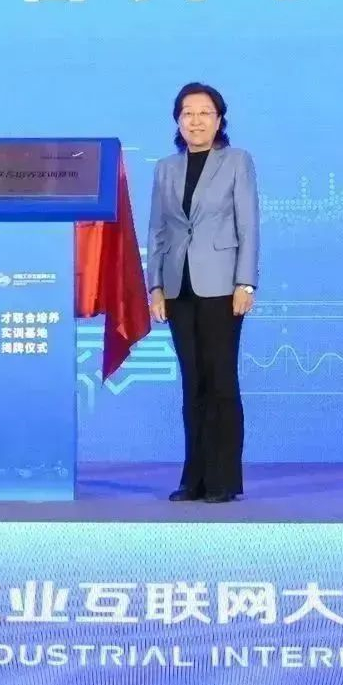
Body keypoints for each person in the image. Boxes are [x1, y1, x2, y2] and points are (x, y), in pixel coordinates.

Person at [145, 82, 258, 504]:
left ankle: (223, 480)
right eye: (188, 113)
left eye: (205, 113)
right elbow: (158, 231)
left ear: (219, 119)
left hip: (223, 285)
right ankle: (193, 478)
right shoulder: (165, 169)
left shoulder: (237, 161)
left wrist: (245, 282)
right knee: (192, 383)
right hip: (179, 287)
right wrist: (155, 286)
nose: (196, 121)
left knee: (221, 380)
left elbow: (248, 226)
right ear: (177, 120)